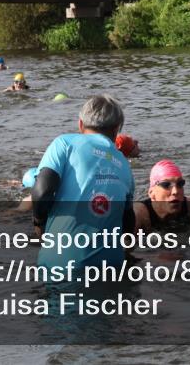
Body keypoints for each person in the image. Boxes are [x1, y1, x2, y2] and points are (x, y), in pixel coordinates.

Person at [30, 95, 136, 270]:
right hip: (111, 266)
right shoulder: (124, 163)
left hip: (62, 265)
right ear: (117, 129)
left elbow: (42, 191)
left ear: (80, 124)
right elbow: (128, 221)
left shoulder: (64, 143)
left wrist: (39, 223)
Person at [133, 160, 190, 232]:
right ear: (151, 193)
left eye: (180, 184)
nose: (175, 191)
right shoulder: (138, 215)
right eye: (166, 185)